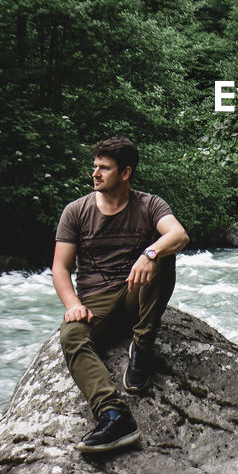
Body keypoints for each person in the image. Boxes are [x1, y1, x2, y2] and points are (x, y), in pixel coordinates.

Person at [52, 137, 189, 454]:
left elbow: (178, 234)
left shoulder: (149, 204)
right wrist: (73, 305)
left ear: (125, 173)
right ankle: (114, 416)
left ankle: (141, 345)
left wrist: (150, 253)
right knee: (72, 335)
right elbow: (60, 268)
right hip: (95, 300)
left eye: (104, 168)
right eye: (95, 167)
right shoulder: (76, 211)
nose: (95, 174)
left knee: (165, 252)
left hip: (133, 291)